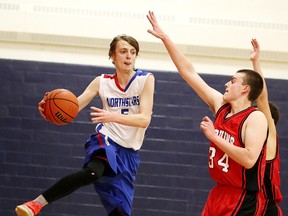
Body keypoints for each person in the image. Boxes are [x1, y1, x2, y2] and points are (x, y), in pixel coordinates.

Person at [15, 34, 155, 216]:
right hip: (106, 140)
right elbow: (73, 108)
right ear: (112, 56)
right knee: (93, 173)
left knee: (120, 214)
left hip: (129, 154)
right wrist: (50, 110)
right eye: (123, 51)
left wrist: (111, 115)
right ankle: (36, 204)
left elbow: (144, 119)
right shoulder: (101, 82)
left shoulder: (145, 79)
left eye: (133, 52)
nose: (129, 56)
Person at [146, 11, 268, 215]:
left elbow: (249, 159)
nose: (227, 84)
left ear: (245, 89)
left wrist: (213, 136)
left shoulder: (255, 118)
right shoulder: (221, 105)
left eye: (233, 81)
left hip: (242, 196)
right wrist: (166, 39)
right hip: (218, 192)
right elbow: (189, 72)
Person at [250, 38, 283, 215]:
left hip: (266, 208)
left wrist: (256, 63)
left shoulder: (269, 138)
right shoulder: (251, 141)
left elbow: (262, 98)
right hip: (251, 205)